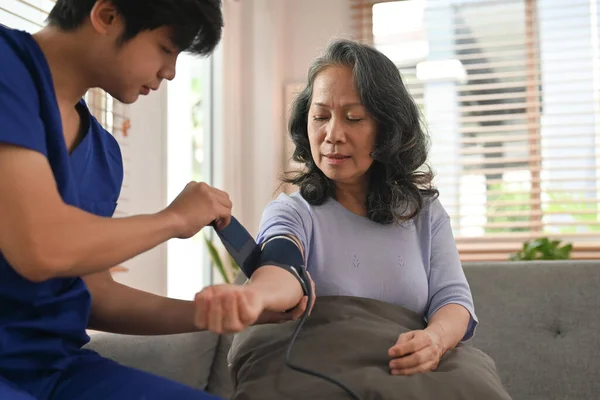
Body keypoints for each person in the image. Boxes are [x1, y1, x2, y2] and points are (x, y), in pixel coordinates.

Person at [0, 1, 309, 399]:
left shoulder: (104, 154)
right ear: (107, 16)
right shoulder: (7, 65)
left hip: (56, 369)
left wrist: (213, 316)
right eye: (166, 48)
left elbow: (95, 293)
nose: (171, 72)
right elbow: (41, 248)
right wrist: (174, 219)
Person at [254, 38, 479, 377]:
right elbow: (280, 266)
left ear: (387, 129)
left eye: (354, 118)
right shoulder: (292, 212)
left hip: (410, 377)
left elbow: (454, 301)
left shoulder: (425, 213)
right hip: (326, 377)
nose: (332, 134)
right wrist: (256, 295)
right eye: (320, 117)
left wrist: (434, 339)